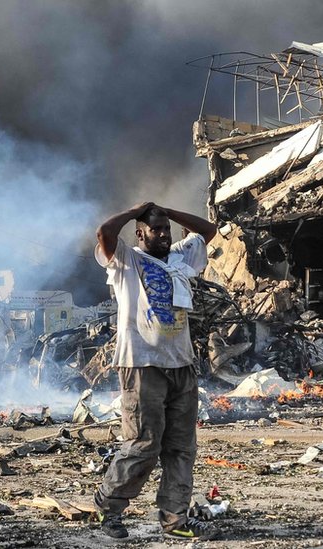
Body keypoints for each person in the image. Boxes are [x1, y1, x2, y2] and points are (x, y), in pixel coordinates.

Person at [92, 202, 219, 540]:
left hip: (181, 362)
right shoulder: (126, 260)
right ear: (139, 233)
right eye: (155, 228)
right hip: (141, 363)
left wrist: (169, 212)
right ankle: (110, 508)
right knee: (144, 444)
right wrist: (138, 209)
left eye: (166, 229)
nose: (163, 234)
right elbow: (104, 232)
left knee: (181, 447)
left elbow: (208, 230)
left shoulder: (180, 256)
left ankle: (175, 519)